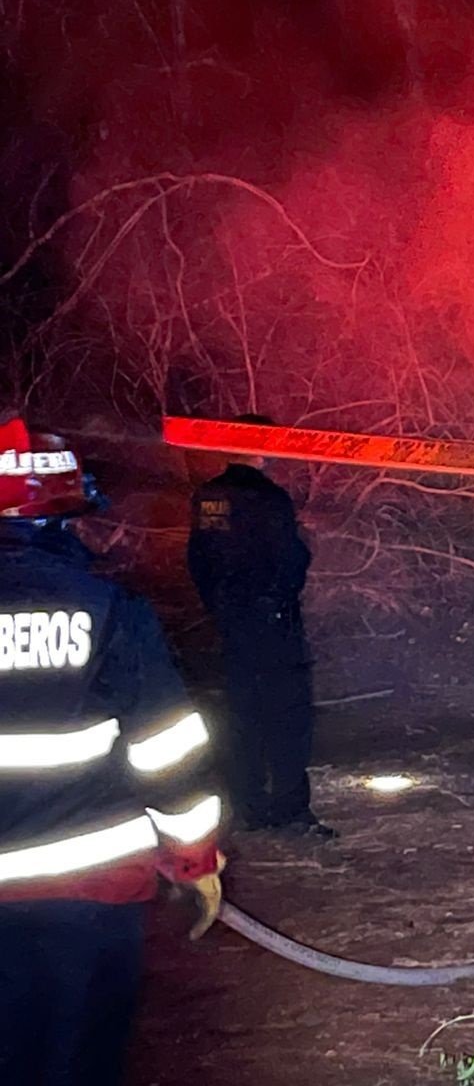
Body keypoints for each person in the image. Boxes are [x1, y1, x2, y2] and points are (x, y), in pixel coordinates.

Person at [0, 418, 223, 1086]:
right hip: (89, 894)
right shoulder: (109, 608)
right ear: (66, 513)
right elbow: (166, 748)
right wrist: (194, 859)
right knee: (78, 1059)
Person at [186, 414, 333, 838]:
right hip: (273, 624)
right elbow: (289, 561)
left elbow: (199, 558)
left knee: (242, 715)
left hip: (232, 623)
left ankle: (249, 806)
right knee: (288, 717)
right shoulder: (269, 498)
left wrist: (219, 606)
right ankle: (290, 810)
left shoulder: (208, 497)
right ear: (260, 447)